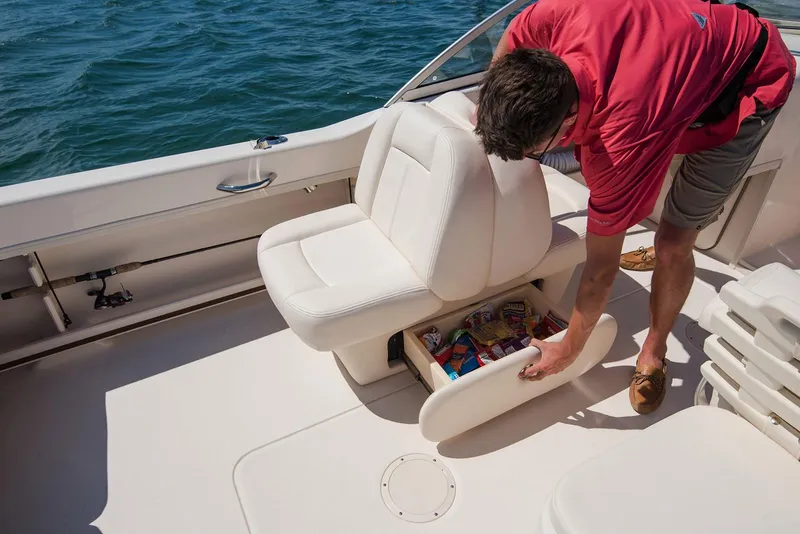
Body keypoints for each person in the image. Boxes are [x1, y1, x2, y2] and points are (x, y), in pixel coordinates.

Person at [475, 0, 795, 413]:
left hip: (748, 81)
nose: (538, 157)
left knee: (674, 241)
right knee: (651, 181)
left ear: (569, 120)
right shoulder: (558, 14)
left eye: (538, 151)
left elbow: (600, 271)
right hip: (684, 59)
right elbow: (513, 34)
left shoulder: (620, 145)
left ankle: (654, 352)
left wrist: (569, 348)